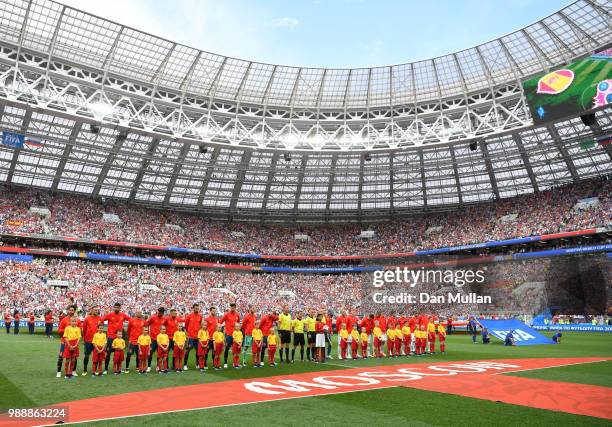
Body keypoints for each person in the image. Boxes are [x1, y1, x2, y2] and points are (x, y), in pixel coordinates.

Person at [102, 303, 130, 375]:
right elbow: (101, 320)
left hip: (119, 338)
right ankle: (105, 369)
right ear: (113, 308)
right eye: (115, 307)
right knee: (108, 353)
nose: (116, 309)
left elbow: (130, 320)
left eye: (118, 307)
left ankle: (118, 369)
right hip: (111, 338)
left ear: (120, 308)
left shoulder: (123, 315)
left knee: (119, 354)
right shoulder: (109, 315)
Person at [56, 305, 80, 378]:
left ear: (74, 311)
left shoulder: (78, 320)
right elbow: (59, 330)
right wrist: (68, 330)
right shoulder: (64, 320)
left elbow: (79, 330)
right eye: (70, 310)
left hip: (74, 342)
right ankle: (59, 372)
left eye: (73, 310)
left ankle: (73, 371)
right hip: (65, 342)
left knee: (74, 357)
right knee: (61, 356)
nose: (71, 311)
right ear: (68, 311)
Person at [81, 306, 101, 376]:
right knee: (87, 355)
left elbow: (100, 329)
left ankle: (95, 370)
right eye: (95, 310)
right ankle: (85, 370)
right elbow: (84, 329)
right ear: (92, 311)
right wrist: (84, 339)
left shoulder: (100, 318)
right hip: (88, 340)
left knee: (97, 356)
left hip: (97, 341)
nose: (96, 311)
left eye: (97, 310)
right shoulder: (87, 319)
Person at [145, 307, 165, 372]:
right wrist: (147, 334)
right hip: (153, 339)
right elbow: (146, 324)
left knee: (159, 353)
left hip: (160, 339)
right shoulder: (153, 317)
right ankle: (149, 366)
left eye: (162, 312)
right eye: (160, 312)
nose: (160, 313)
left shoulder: (164, 319)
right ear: (158, 311)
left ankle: (158, 366)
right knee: (150, 352)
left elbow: (165, 327)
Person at [220, 303, 240, 369]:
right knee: (227, 348)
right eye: (231, 307)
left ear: (235, 308)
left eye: (234, 307)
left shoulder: (237, 315)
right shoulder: (226, 315)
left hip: (236, 336)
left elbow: (238, 323)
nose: (232, 308)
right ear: (230, 307)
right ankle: (225, 362)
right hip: (229, 335)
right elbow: (220, 321)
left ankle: (235, 363)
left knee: (235, 350)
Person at [184, 303, 202, 371]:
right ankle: (185, 364)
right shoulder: (189, 316)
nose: (197, 309)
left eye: (198, 308)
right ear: (193, 308)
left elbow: (200, 325)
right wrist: (188, 333)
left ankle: (197, 364)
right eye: (196, 308)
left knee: (198, 351)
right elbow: (186, 326)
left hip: (197, 337)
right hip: (190, 337)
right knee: (187, 350)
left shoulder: (200, 316)